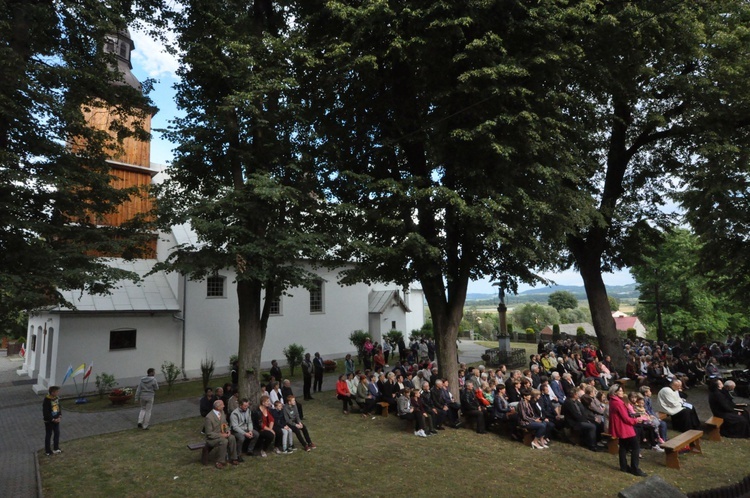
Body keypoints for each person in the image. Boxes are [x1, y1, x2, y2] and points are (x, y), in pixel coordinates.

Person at [609, 384, 646, 477]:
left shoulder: (613, 401)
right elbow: (625, 418)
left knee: (623, 447)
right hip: (624, 428)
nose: (622, 392)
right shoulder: (618, 403)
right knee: (635, 447)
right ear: (615, 392)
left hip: (620, 427)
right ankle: (635, 468)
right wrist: (636, 420)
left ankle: (624, 466)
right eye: (620, 391)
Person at [204, 399, 239, 468]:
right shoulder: (209, 417)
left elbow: (225, 423)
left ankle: (233, 458)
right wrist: (221, 435)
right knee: (224, 441)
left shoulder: (222, 412)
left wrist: (228, 430)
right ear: (217, 407)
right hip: (212, 438)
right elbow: (209, 433)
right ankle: (220, 461)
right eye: (222, 405)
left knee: (232, 438)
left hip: (223, 434)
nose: (224, 406)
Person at [42, 385, 62, 456]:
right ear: (52, 392)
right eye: (56, 391)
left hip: (56, 419)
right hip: (49, 421)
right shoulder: (47, 400)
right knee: (49, 434)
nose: (58, 393)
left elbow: (59, 408)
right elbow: (46, 413)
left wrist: (59, 416)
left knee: (57, 433)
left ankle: (56, 448)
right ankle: (48, 450)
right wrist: (52, 419)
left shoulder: (56, 399)